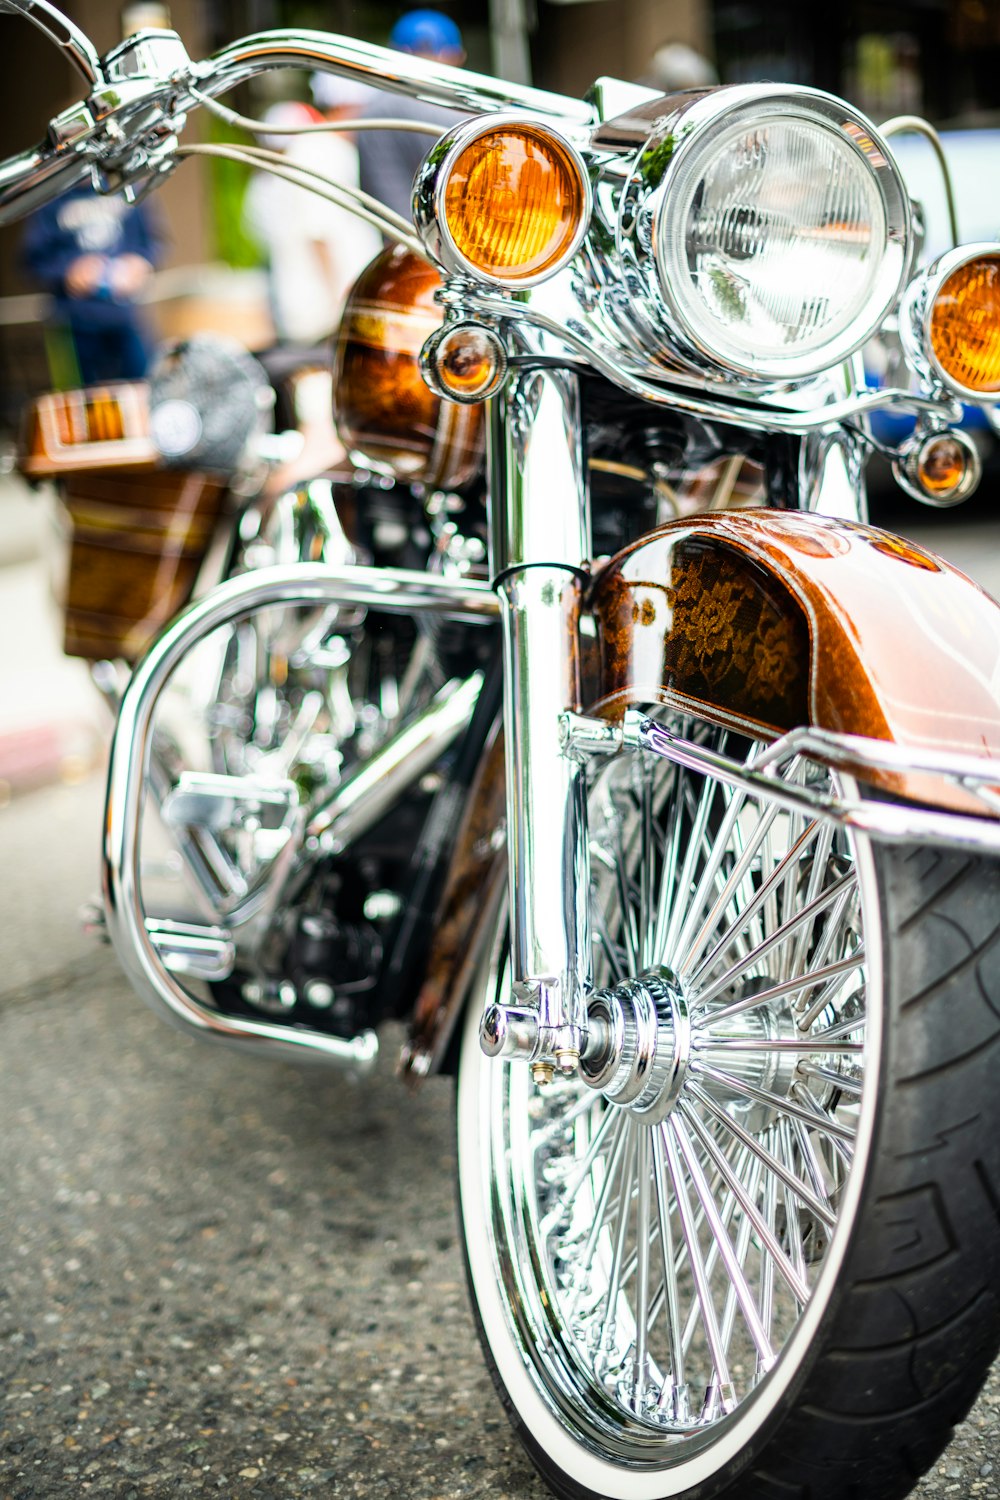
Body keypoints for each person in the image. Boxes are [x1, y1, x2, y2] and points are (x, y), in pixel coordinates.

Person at [244, 79, 381, 348]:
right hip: (325, 312)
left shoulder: (317, 150)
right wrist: (343, 302)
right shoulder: (324, 151)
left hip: (319, 307)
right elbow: (319, 232)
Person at [20, 183, 163, 385]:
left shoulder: (130, 187)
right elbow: (32, 262)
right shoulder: (50, 197)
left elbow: (154, 244)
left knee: (142, 389)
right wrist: (68, 272)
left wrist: (140, 263)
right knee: (81, 401)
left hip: (127, 316)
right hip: (74, 322)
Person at [357, 10, 468, 227]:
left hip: (395, 242)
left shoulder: (372, 111)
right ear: (453, 55)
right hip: (451, 242)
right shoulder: (460, 114)